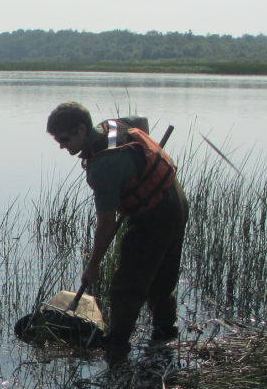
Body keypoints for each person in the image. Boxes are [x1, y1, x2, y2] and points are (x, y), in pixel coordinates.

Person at [46, 102, 188, 367]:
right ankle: (165, 337)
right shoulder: (113, 125)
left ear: (80, 129)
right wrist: (139, 165)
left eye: (64, 139)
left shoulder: (104, 166)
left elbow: (107, 224)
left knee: (126, 286)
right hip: (175, 199)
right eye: (57, 140)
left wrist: (93, 266)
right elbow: (142, 122)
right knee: (160, 281)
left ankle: (117, 347)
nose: (61, 146)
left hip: (155, 214)